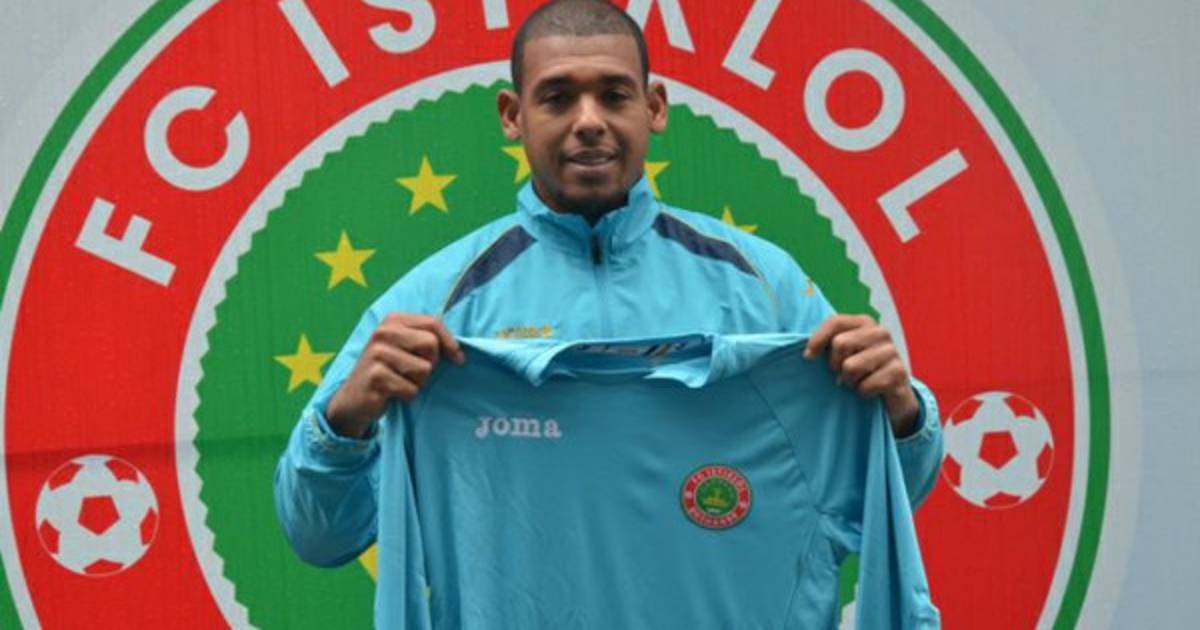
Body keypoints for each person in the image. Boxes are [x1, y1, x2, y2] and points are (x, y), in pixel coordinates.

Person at [276, 0, 941, 596]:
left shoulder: (764, 284)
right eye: (558, 98)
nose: (588, 122)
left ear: (655, 108)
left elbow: (872, 506)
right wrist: (344, 421)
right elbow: (320, 538)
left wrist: (903, 416)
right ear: (513, 115)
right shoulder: (435, 304)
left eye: (613, 95)